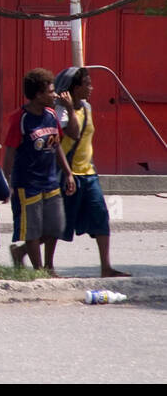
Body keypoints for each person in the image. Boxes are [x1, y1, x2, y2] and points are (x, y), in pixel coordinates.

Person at [54, 66, 129, 277]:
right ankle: (35, 257)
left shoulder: (87, 107)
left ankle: (106, 267)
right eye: (87, 84)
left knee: (101, 217)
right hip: (69, 174)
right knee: (60, 223)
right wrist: (69, 108)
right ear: (75, 88)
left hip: (89, 173)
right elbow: (66, 138)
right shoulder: (61, 111)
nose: (91, 88)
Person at [2, 67, 76, 273]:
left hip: (50, 181)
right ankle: (39, 270)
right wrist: (6, 182)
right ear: (38, 94)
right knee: (32, 230)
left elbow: (57, 144)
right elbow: (9, 152)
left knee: (55, 226)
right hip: (27, 184)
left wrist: (68, 173)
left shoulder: (51, 115)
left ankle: (48, 265)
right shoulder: (20, 118)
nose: (54, 95)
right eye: (50, 91)